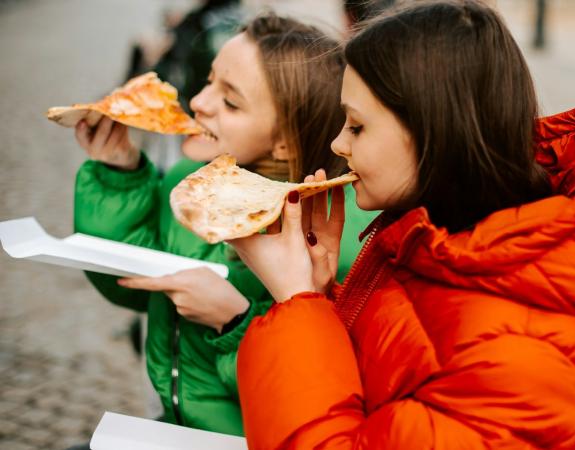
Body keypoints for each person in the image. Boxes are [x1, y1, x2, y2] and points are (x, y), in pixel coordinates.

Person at [230, 1, 575, 449]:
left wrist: (296, 300)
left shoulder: (526, 361)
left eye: (358, 126)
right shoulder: (444, 241)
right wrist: (322, 296)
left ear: (435, 132)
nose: (339, 145)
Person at [72, 12, 377, 436]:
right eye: (210, 80)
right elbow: (127, 278)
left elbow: (315, 392)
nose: (197, 101)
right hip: (176, 428)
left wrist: (233, 322)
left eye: (230, 101)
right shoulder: (188, 183)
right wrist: (118, 174)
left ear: (286, 137)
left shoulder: (320, 233)